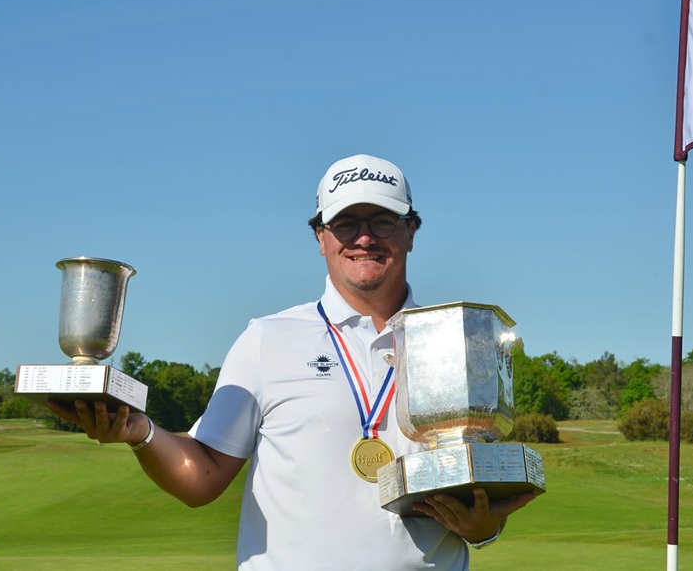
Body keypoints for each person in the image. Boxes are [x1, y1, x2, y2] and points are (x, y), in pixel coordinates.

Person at [49, 154, 537, 569]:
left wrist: (484, 529)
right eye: (346, 222)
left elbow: (473, 486)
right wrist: (142, 433)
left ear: (411, 231)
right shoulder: (267, 339)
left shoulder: (454, 340)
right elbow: (201, 477)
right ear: (320, 236)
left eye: (383, 221)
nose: (364, 237)